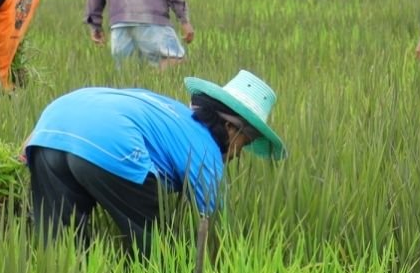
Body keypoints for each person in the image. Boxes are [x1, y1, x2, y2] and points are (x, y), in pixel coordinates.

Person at [21, 69, 284, 258]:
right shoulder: (206, 150)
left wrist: (41, 134)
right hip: (113, 142)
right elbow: (215, 221)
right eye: (245, 143)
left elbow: (106, 105)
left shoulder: (171, 111)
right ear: (230, 127)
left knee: (60, 247)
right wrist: (234, 258)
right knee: (152, 249)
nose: (240, 154)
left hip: (50, 130)